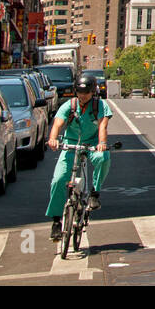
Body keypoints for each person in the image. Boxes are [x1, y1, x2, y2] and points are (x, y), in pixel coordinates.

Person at [45, 72, 112, 241]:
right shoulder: (70, 105)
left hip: (93, 143)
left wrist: (101, 144)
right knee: (59, 179)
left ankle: (94, 194)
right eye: (80, 92)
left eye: (86, 92)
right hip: (70, 144)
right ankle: (55, 221)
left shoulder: (100, 105)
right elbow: (58, 123)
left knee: (103, 158)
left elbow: (103, 125)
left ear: (93, 92)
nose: (83, 95)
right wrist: (53, 139)